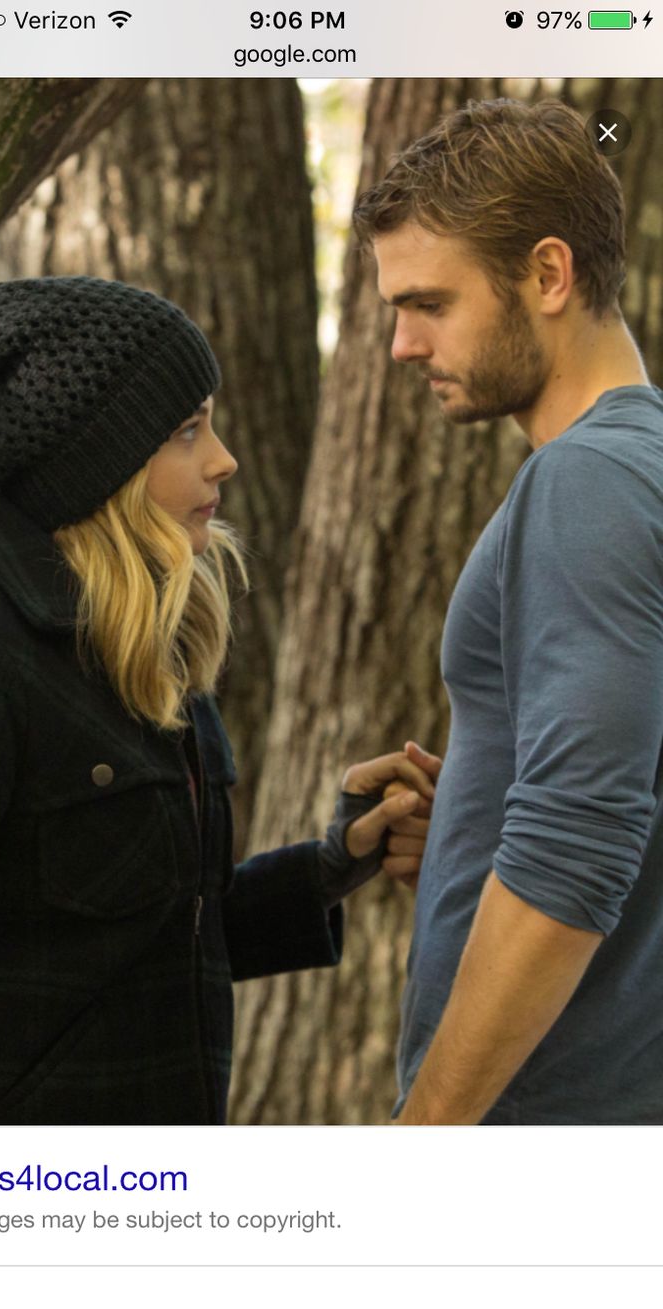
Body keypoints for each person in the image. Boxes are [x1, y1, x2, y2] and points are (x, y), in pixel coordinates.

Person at [0, 276, 439, 1126]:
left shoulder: (141, 642)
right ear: (97, 463)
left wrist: (332, 859)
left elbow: (159, 933)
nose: (224, 457)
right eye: (185, 431)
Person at [353, 97, 663, 1125]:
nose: (401, 344)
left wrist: (424, 1141)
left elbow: (575, 843)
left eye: (429, 302)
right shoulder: (642, 473)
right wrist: (467, 838)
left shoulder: (587, 486)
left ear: (546, 273)